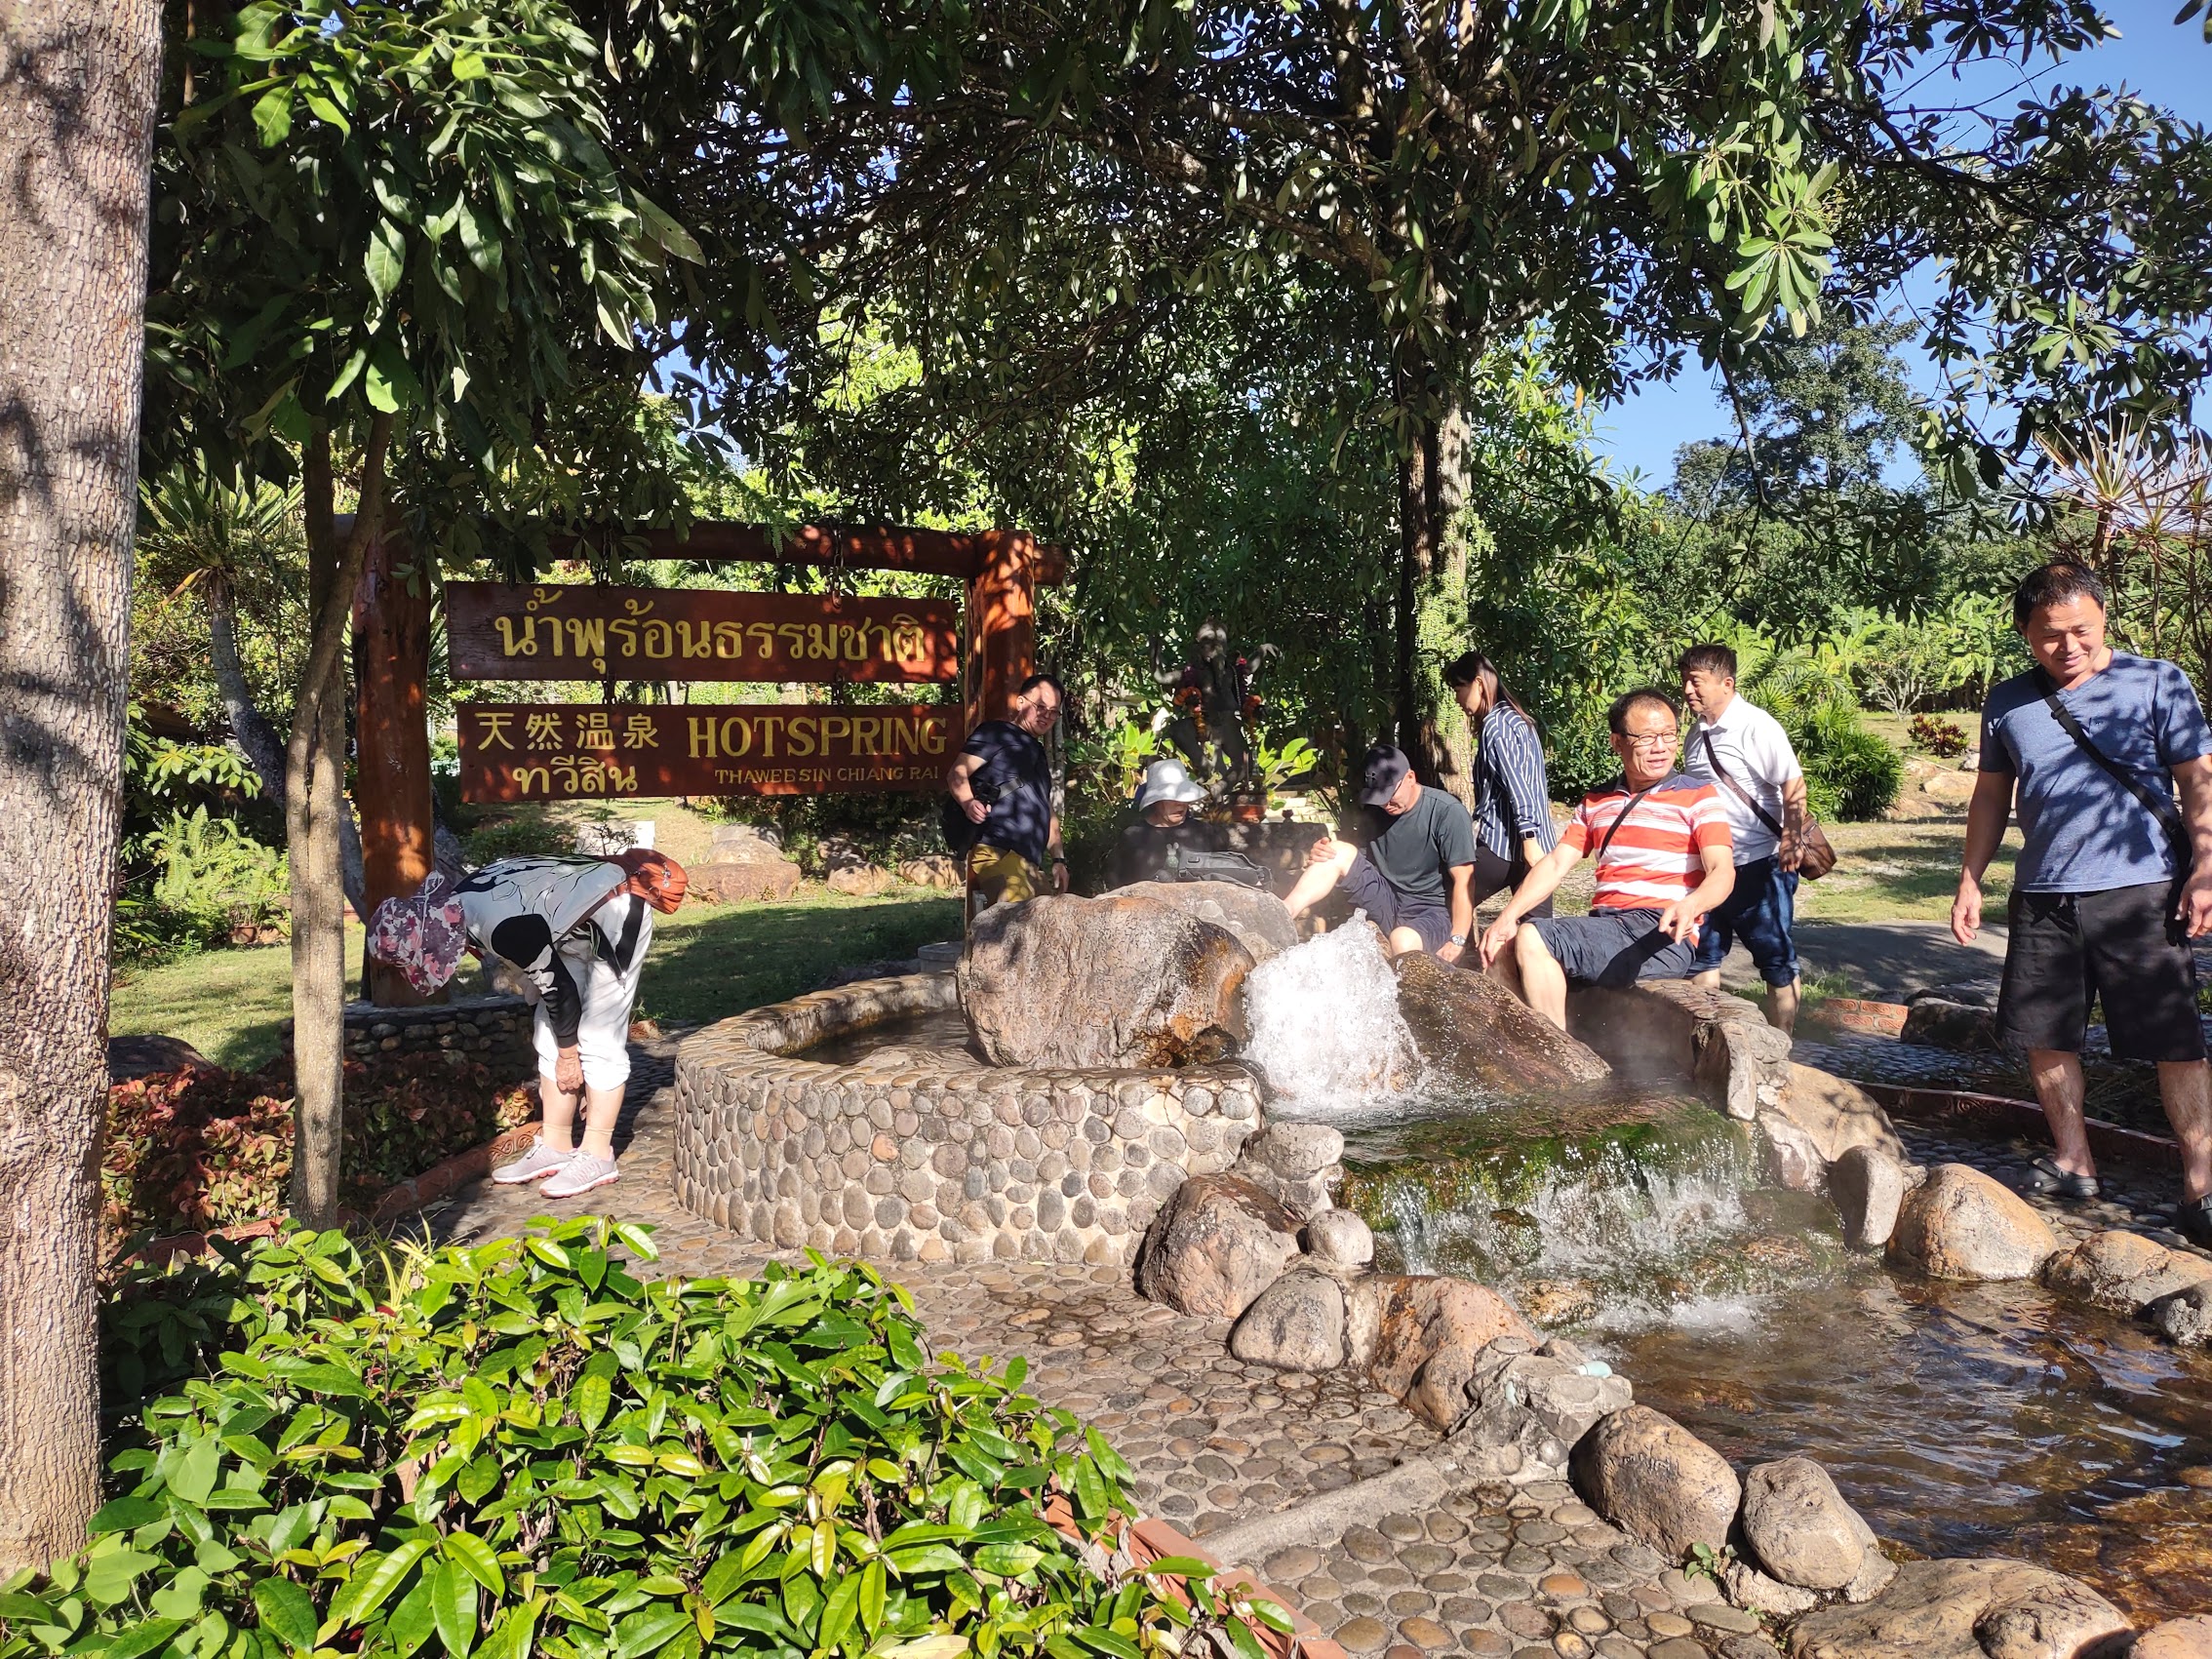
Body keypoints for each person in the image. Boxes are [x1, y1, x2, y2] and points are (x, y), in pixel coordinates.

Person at [1953, 561, 2212, 1242]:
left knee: (2175, 1041)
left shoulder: (2157, 681)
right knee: (2045, 1036)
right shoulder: (2007, 701)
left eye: (2083, 630)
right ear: (2024, 632)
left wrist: (2206, 866)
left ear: (2103, 617)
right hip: (2044, 895)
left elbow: (2197, 779)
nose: (2069, 646)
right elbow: (1990, 796)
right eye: (2050, 634)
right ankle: (2074, 1160)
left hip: (2141, 890)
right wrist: (1971, 878)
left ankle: (2201, 1185)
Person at [367, 849, 686, 1199]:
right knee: (548, 1034)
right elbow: (540, 980)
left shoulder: (501, 927)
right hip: (571, 928)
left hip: (616, 912)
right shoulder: (460, 908)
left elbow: (559, 990)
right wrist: (562, 1046)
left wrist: (571, 1058)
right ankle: (556, 1144)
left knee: (598, 1037)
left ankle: (597, 1154)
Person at [1480, 689, 1735, 1030]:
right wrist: (1506, 917)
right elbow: (1555, 864)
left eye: (1669, 735)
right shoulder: (1596, 801)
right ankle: (1520, 1043)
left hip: (1659, 932)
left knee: (1533, 936)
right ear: (1617, 742)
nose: (1661, 747)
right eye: (1646, 737)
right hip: (1608, 926)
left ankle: (1559, 1050)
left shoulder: (1699, 796)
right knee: (1503, 945)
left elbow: (1722, 871)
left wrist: (1692, 905)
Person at [1679, 643, 1811, 1032]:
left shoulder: (1757, 726)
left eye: (1696, 681)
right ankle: (1709, 1045)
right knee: (1702, 959)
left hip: (1759, 865)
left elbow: (1793, 783)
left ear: (1727, 683)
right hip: (1710, 867)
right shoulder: (1695, 733)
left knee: (1776, 962)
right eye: (1685, 681)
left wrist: (1791, 838)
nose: (1687, 690)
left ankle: (1782, 1045)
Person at [1283, 743, 1478, 961]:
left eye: (1389, 794)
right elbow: (1354, 859)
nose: (1385, 803)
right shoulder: (1376, 811)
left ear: (1410, 778)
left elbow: (1465, 880)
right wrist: (1323, 855)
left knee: (1402, 940)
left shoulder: (1447, 812)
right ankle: (1282, 914)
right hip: (1386, 899)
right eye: (1378, 797)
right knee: (1336, 851)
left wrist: (1457, 939)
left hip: (1431, 911)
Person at [1443, 651, 1558, 916]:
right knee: (1537, 931)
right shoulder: (1518, 719)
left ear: (1478, 684)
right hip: (1538, 846)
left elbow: (1519, 787)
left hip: (1508, 846)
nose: (1457, 699)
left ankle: (1453, 944)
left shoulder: (1496, 725)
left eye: (1458, 689)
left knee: (1446, 902)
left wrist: (1528, 839)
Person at [944, 673, 1068, 914]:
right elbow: (957, 773)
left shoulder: (1038, 753)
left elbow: (1046, 809)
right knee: (1020, 921)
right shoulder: (996, 733)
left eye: (1054, 712)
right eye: (1040, 707)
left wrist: (1059, 860)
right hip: (997, 851)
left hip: (1030, 862)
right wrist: (968, 802)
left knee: (1051, 922)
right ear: (1021, 702)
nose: (1046, 715)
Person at [1105, 757, 1220, 889]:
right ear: (1156, 802)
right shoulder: (1133, 837)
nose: (1180, 804)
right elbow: (1115, 883)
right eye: (1172, 798)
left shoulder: (1204, 832)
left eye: (1184, 797)